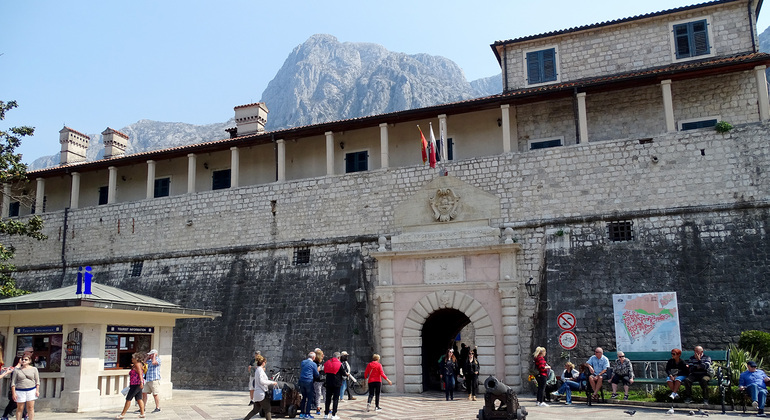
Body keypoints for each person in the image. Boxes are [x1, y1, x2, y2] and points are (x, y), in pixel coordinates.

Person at [243, 354, 277, 420]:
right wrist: (272, 382)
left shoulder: (257, 370)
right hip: (261, 393)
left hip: (256, 394)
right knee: (267, 409)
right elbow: (262, 381)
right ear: (263, 363)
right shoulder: (260, 370)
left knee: (255, 410)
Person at [116, 353, 145, 419]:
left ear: (136, 359)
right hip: (135, 384)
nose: (132, 359)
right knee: (139, 399)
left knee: (128, 398)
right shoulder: (137, 365)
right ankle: (142, 413)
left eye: (133, 358)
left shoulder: (137, 364)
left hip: (136, 384)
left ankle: (122, 414)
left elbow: (140, 374)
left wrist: (141, 382)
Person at [10, 355, 39, 420]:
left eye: (26, 359)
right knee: (20, 408)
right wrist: (13, 393)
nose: (24, 361)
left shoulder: (34, 369)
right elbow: (13, 383)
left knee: (30, 407)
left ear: (29, 361)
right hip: (20, 390)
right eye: (23, 359)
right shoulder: (17, 370)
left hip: (31, 390)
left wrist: (37, 390)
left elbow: (37, 381)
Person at [323, 352, 343, 420]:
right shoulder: (339, 364)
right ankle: (333, 414)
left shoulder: (327, 362)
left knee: (328, 399)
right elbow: (343, 373)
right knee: (335, 399)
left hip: (328, 382)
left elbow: (324, 371)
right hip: (336, 383)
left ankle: (326, 414)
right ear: (339, 357)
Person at [298, 351, 319, 419]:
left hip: (301, 380)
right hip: (308, 381)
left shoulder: (303, 362)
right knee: (310, 398)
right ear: (313, 357)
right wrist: (318, 370)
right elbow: (316, 374)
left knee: (304, 397)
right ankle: (307, 413)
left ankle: (302, 413)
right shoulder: (313, 364)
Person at [313, 349, 324, 416]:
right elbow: (316, 372)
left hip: (323, 380)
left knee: (324, 394)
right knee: (318, 394)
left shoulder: (321, 362)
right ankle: (318, 407)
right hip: (317, 380)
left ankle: (327, 407)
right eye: (322, 355)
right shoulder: (315, 363)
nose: (323, 356)